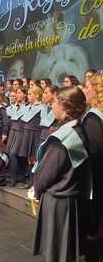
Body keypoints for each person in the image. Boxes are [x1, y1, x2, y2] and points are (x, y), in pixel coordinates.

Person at [32, 87, 88, 262]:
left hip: (58, 202)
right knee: (65, 251)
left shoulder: (64, 138)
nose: (52, 105)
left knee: (57, 252)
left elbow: (46, 174)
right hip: (71, 198)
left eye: (55, 101)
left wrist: (37, 191)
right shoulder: (79, 131)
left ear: (65, 105)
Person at [82, 73, 103, 262]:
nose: (83, 89)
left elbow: (93, 153)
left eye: (86, 86)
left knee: (93, 228)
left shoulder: (93, 120)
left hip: (94, 183)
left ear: (96, 90)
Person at [18, 86, 43, 186]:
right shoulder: (28, 107)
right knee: (29, 157)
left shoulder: (41, 107)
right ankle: (30, 180)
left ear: (36, 95)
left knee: (34, 157)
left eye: (30, 94)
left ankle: (35, 182)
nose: (28, 96)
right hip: (27, 133)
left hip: (35, 134)